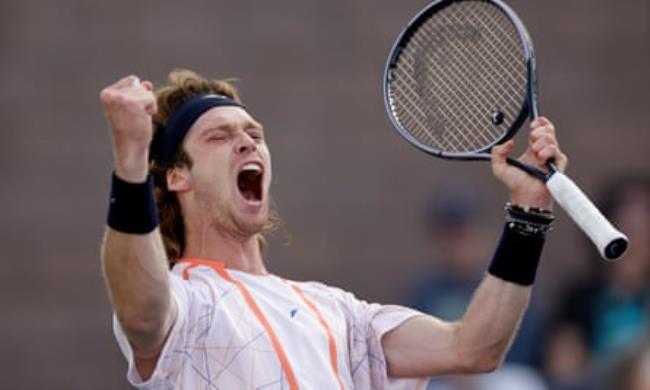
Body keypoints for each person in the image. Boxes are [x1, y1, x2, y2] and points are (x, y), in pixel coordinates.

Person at [99, 68, 567, 389]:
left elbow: (474, 347)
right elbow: (141, 315)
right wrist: (131, 160)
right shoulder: (183, 300)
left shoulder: (340, 312)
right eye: (219, 136)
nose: (246, 142)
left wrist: (528, 215)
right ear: (177, 176)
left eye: (254, 135)